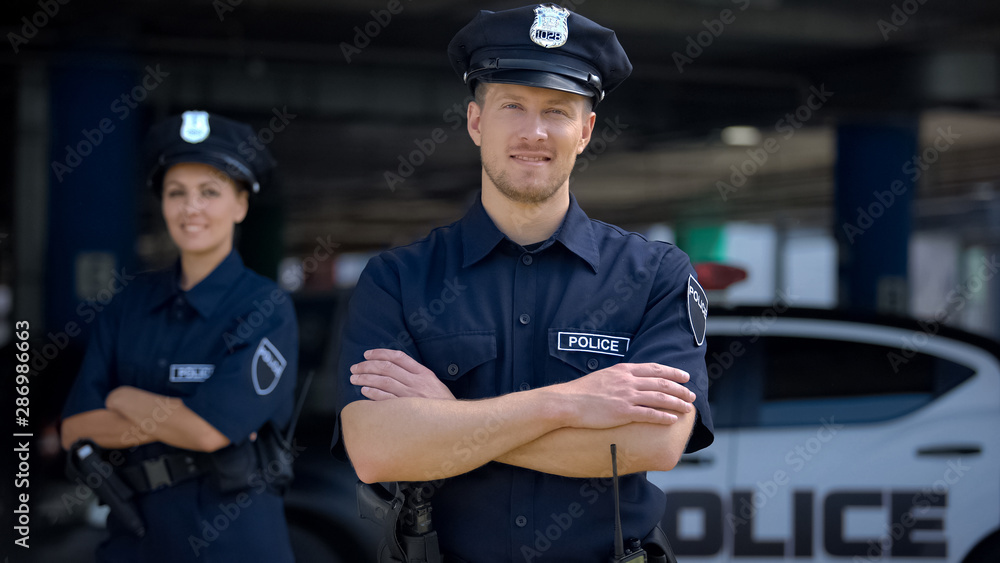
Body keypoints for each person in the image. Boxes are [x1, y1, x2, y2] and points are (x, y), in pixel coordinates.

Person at [336, 4, 714, 562]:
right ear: (475, 122)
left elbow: (653, 443)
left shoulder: (655, 275)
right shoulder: (399, 279)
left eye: (557, 110)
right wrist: (571, 402)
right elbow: (376, 450)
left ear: (584, 131)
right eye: (512, 105)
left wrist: (449, 422)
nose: (534, 132)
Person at [60, 111, 298, 563]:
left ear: (241, 204)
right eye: (177, 193)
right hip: (135, 541)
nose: (191, 208)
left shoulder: (264, 308)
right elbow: (75, 428)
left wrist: (124, 397)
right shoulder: (129, 306)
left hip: (233, 544)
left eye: (210, 192)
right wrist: (178, 419)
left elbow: (207, 431)